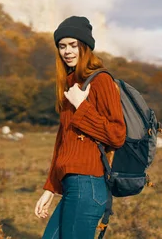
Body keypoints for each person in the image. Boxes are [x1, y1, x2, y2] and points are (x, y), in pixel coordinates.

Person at [35, 16, 126, 239]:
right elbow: (63, 144)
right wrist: (50, 188)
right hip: (71, 185)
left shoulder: (101, 80)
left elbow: (117, 135)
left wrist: (81, 106)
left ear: (85, 47)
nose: (67, 51)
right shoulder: (69, 85)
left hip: (87, 184)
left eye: (73, 45)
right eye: (62, 46)